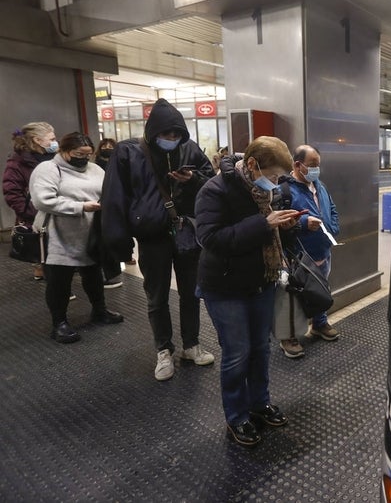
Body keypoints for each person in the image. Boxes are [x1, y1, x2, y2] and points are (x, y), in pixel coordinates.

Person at [194, 136, 301, 446]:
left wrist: (290, 224)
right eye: (272, 176)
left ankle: (260, 403)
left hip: (261, 280)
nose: (277, 183)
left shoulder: (268, 192)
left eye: (280, 178)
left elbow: (271, 229)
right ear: (253, 165)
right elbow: (211, 238)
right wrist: (263, 223)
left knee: (260, 348)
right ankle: (237, 416)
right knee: (237, 353)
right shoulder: (214, 191)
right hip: (225, 287)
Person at [101, 98, 215, 381]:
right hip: (152, 236)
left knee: (191, 293)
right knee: (157, 296)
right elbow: (115, 197)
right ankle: (163, 350)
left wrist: (193, 180)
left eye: (176, 135)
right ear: (154, 133)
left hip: (186, 232)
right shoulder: (128, 152)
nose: (171, 140)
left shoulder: (189, 148)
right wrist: (120, 243)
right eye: (166, 135)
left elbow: (211, 181)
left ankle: (192, 345)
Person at [28, 132, 124, 343]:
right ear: (64, 151)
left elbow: (108, 191)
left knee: (93, 276)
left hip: (90, 234)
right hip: (58, 236)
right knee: (59, 282)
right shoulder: (48, 169)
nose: (84, 158)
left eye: (88, 154)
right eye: (78, 154)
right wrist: (81, 207)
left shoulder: (95, 169)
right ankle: (59, 324)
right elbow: (42, 201)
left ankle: (99, 311)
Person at [278, 144, 340, 358]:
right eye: (312, 166)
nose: (315, 170)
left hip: (323, 250)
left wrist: (334, 227)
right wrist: (303, 222)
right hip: (299, 256)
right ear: (297, 165)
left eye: (318, 166)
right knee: (293, 296)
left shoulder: (318, 185)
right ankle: (289, 336)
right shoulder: (284, 190)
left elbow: (331, 207)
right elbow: (278, 220)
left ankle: (319, 324)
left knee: (320, 289)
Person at [3, 122, 58, 281]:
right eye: (51, 138)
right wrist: (32, 213)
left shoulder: (57, 158)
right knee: (46, 252)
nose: (55, 142)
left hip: (59, 211)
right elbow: (11, 192)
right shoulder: (18, 162)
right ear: (37, 140)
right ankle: (57, 290)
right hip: (38, 216)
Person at [93, 137, 124, 288]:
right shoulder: (94, 166)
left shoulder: (119, 163)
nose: (107, 148)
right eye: (104, 146)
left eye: (110, 146)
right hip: (96, 208)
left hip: (109, 207)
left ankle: (113, 274)